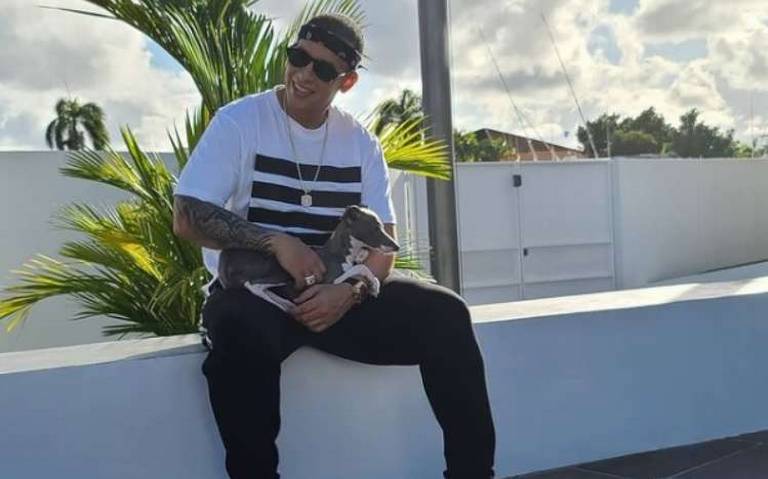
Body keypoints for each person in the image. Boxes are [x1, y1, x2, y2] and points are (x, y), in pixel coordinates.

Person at [172, 13, 495, 479]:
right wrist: (274, 242)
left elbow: (384, 245)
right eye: (298, 57)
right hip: (260, 297)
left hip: (338, 297)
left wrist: (350, 292)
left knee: (447, 314)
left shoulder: (360, 143)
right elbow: (186, 215)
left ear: (346, 81)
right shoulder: (240, 122)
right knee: (237, 332)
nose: (304, 74)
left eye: (323, 69)